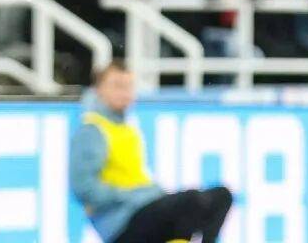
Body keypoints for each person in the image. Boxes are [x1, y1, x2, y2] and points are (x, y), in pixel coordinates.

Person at [70, 61, 233, 243]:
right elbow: (83, 188)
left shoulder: (126, 128)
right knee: (191, 201)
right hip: (121, 222)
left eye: (128, 86)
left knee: (222, 196)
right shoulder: (92, 130)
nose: (124, 93)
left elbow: (135, 177)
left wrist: (152, 193)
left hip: (143, 209)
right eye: (117, 86)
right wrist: (131, 195)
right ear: (99, 89)